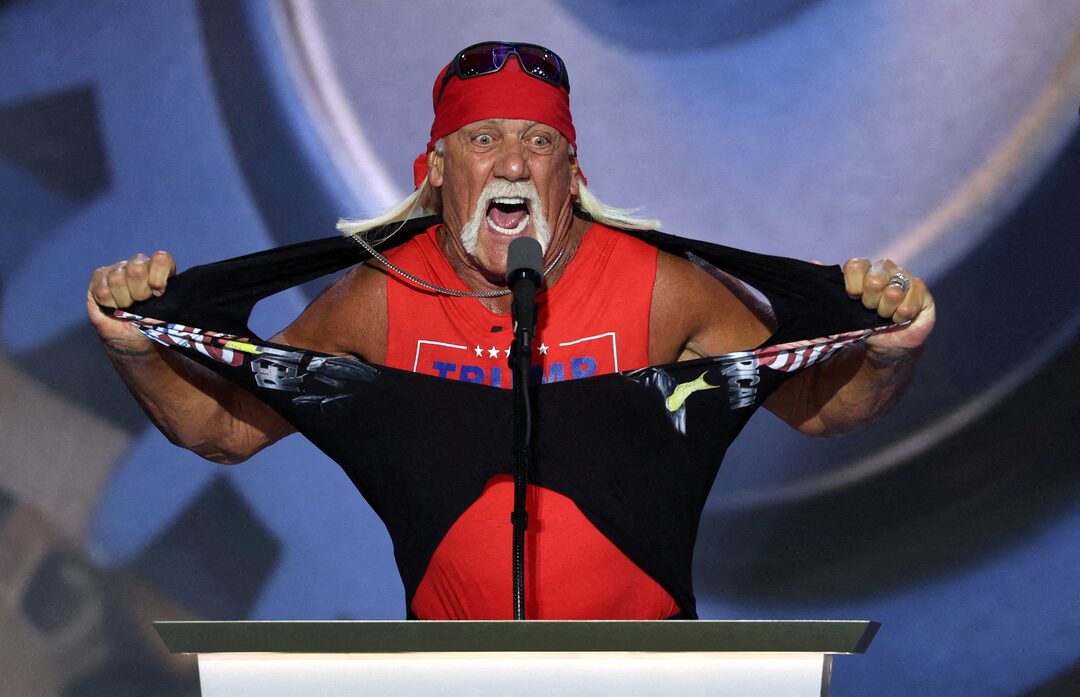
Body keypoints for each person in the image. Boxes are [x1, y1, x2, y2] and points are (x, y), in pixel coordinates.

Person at [87, 42, 935, 620]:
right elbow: (225, 428)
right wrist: (134, 350)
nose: (515, 162)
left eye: (540, 140)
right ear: (438, 171)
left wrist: (887, 356)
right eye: (484, 137)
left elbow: (821, 406)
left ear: (572, 174)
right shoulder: (379, 298)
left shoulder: (661, 288)